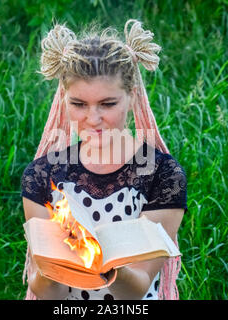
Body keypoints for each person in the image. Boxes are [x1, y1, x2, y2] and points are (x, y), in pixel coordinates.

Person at [20, 19, 188, 300]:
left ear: (132, 98)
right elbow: (50, 294)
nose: (93, 119)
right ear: (64, 99)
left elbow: (137, 289)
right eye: (79, 104)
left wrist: (99, 258)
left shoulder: (163, 175)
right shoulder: (42, 173)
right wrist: (54, 267)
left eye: (108, 104)